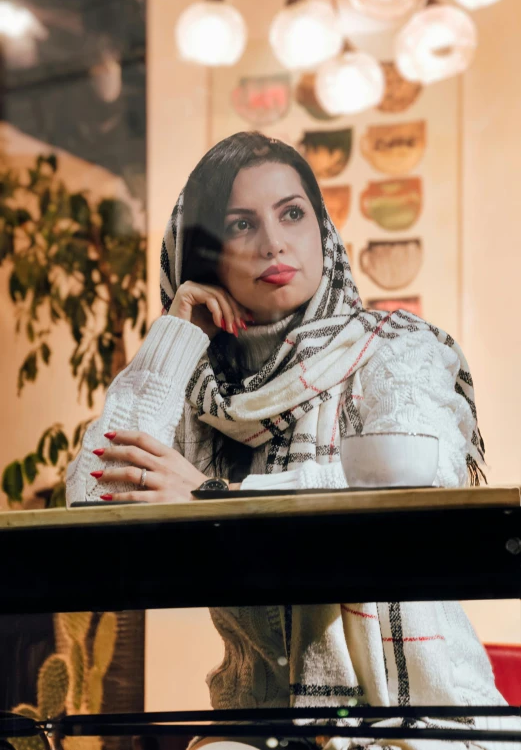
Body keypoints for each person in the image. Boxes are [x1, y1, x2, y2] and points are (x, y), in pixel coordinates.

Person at [66, 132, 516, 750]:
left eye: (292, 213)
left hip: (421, 718)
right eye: (241, 224)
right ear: (206, 256)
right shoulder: (203, 398)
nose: (273, 242)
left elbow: (412, 494)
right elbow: (90, 494)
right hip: (262, 724)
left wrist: (213, 496)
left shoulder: (396, 346)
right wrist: (174, 332)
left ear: (321, 231)